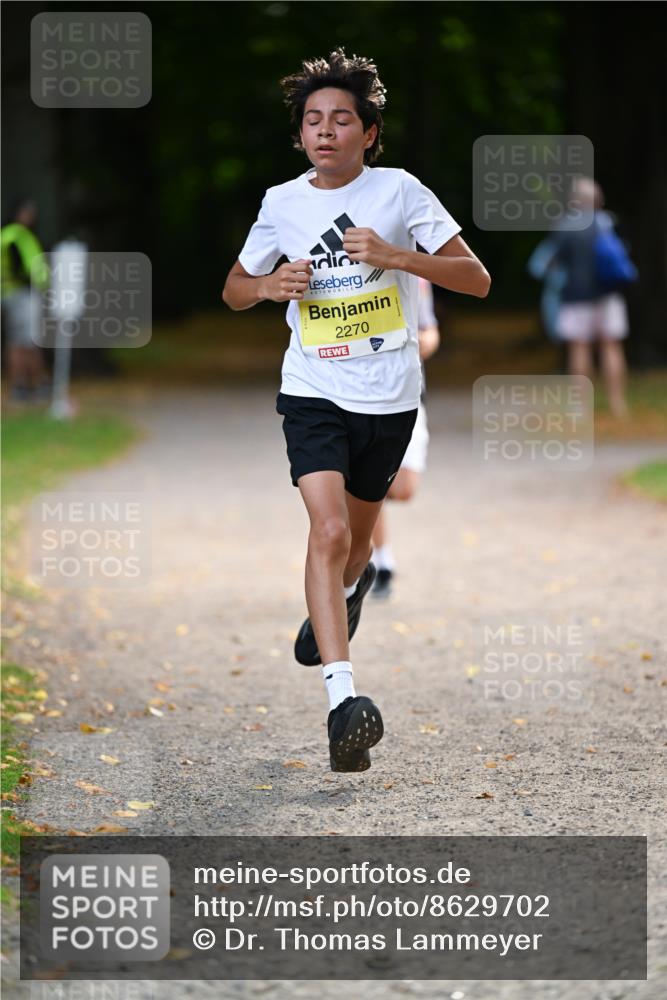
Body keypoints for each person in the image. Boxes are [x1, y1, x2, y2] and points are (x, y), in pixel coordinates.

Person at [222, 49, 490, 772]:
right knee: (329, 526)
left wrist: (401, 259)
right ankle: (344, 702)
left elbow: (477, 278)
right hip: (312, 388)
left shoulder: (400, 192)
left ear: (369, 133)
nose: (325, 131)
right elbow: (233, 290)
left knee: (359, 544)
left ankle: (348, 590)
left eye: (342, 119)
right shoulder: (281, 203)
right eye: (313, 120)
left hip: (390, 397)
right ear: (299, 134)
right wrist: (271, 285)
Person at [370, 277, 440, 598]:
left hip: (408, 393)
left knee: (403, 489)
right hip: (364, 394)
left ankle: (358, 508)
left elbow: (430, 327)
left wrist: (428, 339)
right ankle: (380, 562)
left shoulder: (416, 275)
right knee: (368, 483)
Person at [550, 177, 633, 417]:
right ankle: (618, 404)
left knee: (579, 348)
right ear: (599, 200)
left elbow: (556, 261)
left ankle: (580, 407)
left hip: (575, 296)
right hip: (608, 294)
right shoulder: (609, 222)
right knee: (612, 346)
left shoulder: (564, 226)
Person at [1, 197, 50, 402]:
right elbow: (21, 268)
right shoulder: (15, 236)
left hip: (16, 293)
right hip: (21, 294)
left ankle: (27, 384)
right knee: (25, 341)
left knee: (21, 340)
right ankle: (28, 384)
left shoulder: (10, 234)